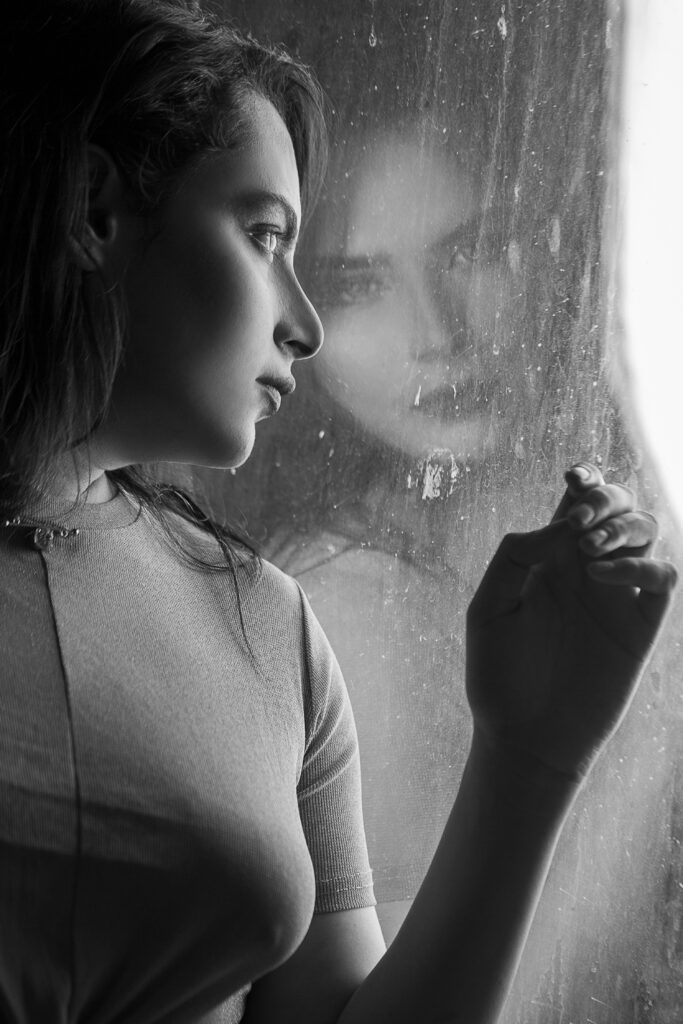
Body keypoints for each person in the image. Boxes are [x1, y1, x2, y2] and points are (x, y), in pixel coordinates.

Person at [0, 3, 676, 1024]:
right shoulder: (319, 595)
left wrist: (528, 757)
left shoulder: (265, 623)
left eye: (473, 247)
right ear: (97, 210)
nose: (303, 323)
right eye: (265, 234)